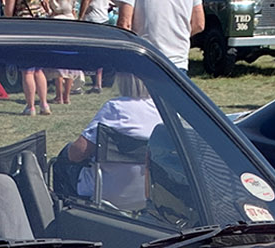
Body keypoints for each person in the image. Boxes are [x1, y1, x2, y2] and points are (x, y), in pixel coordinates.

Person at [63, 72, 162, 207]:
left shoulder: (115, 108)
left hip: (107, 192)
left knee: (64, 157)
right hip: (151, 193)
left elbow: (77, 153)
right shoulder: (161, 110)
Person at [116, 0, 204, 74]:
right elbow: (199, 24)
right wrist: (178, 37)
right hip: (177, 62)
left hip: (144, 58)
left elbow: (124, 24)